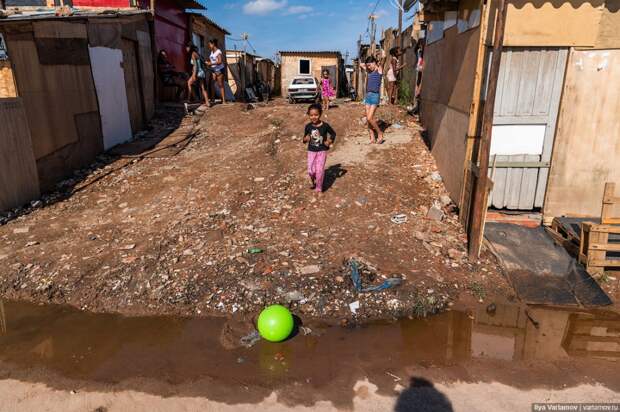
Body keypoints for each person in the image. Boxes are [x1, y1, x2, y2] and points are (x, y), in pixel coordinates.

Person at [303, 103, 336, 194]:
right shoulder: (308, 126)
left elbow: (333, 134)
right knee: (311, 170)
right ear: (309, 115)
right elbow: (304, 139)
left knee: (320, 171)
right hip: (311, 152)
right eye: (311, 115)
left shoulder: (325, 126)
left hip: (322, 151)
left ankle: (319, 188)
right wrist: (306, 138)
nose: (314, 117)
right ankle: (313, 179)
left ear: (320, 114)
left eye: (316, 115)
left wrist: (329, 141)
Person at [361, 55, 384, 144]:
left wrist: (380, 58)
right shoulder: (368, 71)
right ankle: (372, 137)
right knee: (368, 118)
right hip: (368, 96)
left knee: (370, 117)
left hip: (375, 96)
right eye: (368, 66)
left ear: (374, 63)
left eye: (370, 65)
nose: (368, 67)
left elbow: (383, 60)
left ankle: (380, 133)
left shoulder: (379, 70)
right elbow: (361, 65)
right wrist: (367, 65)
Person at [206, 38, 227, 105]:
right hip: (213, 70)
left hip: (220, 70)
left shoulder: (218, 51)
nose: (209, 46)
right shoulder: (212, 52)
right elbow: (211, 60)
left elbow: (220, 61)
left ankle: (223, 100)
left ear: (213, 44)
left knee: (220, 85)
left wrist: (211, 64)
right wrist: (208, 62)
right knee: (212, 84)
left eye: (210, 44)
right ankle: (212, 99)